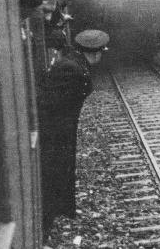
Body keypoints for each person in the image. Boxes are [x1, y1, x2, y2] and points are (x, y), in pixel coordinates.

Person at [38, 29, 109, 240]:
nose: (101, 56)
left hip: (61, 131)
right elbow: (52, 104)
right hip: (55, 134)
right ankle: (46, 225)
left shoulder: (74, 63)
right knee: (55, 176)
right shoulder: (72, 69)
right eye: (101, 52)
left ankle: (50, 221)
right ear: (95, 53)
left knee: (59, 176)